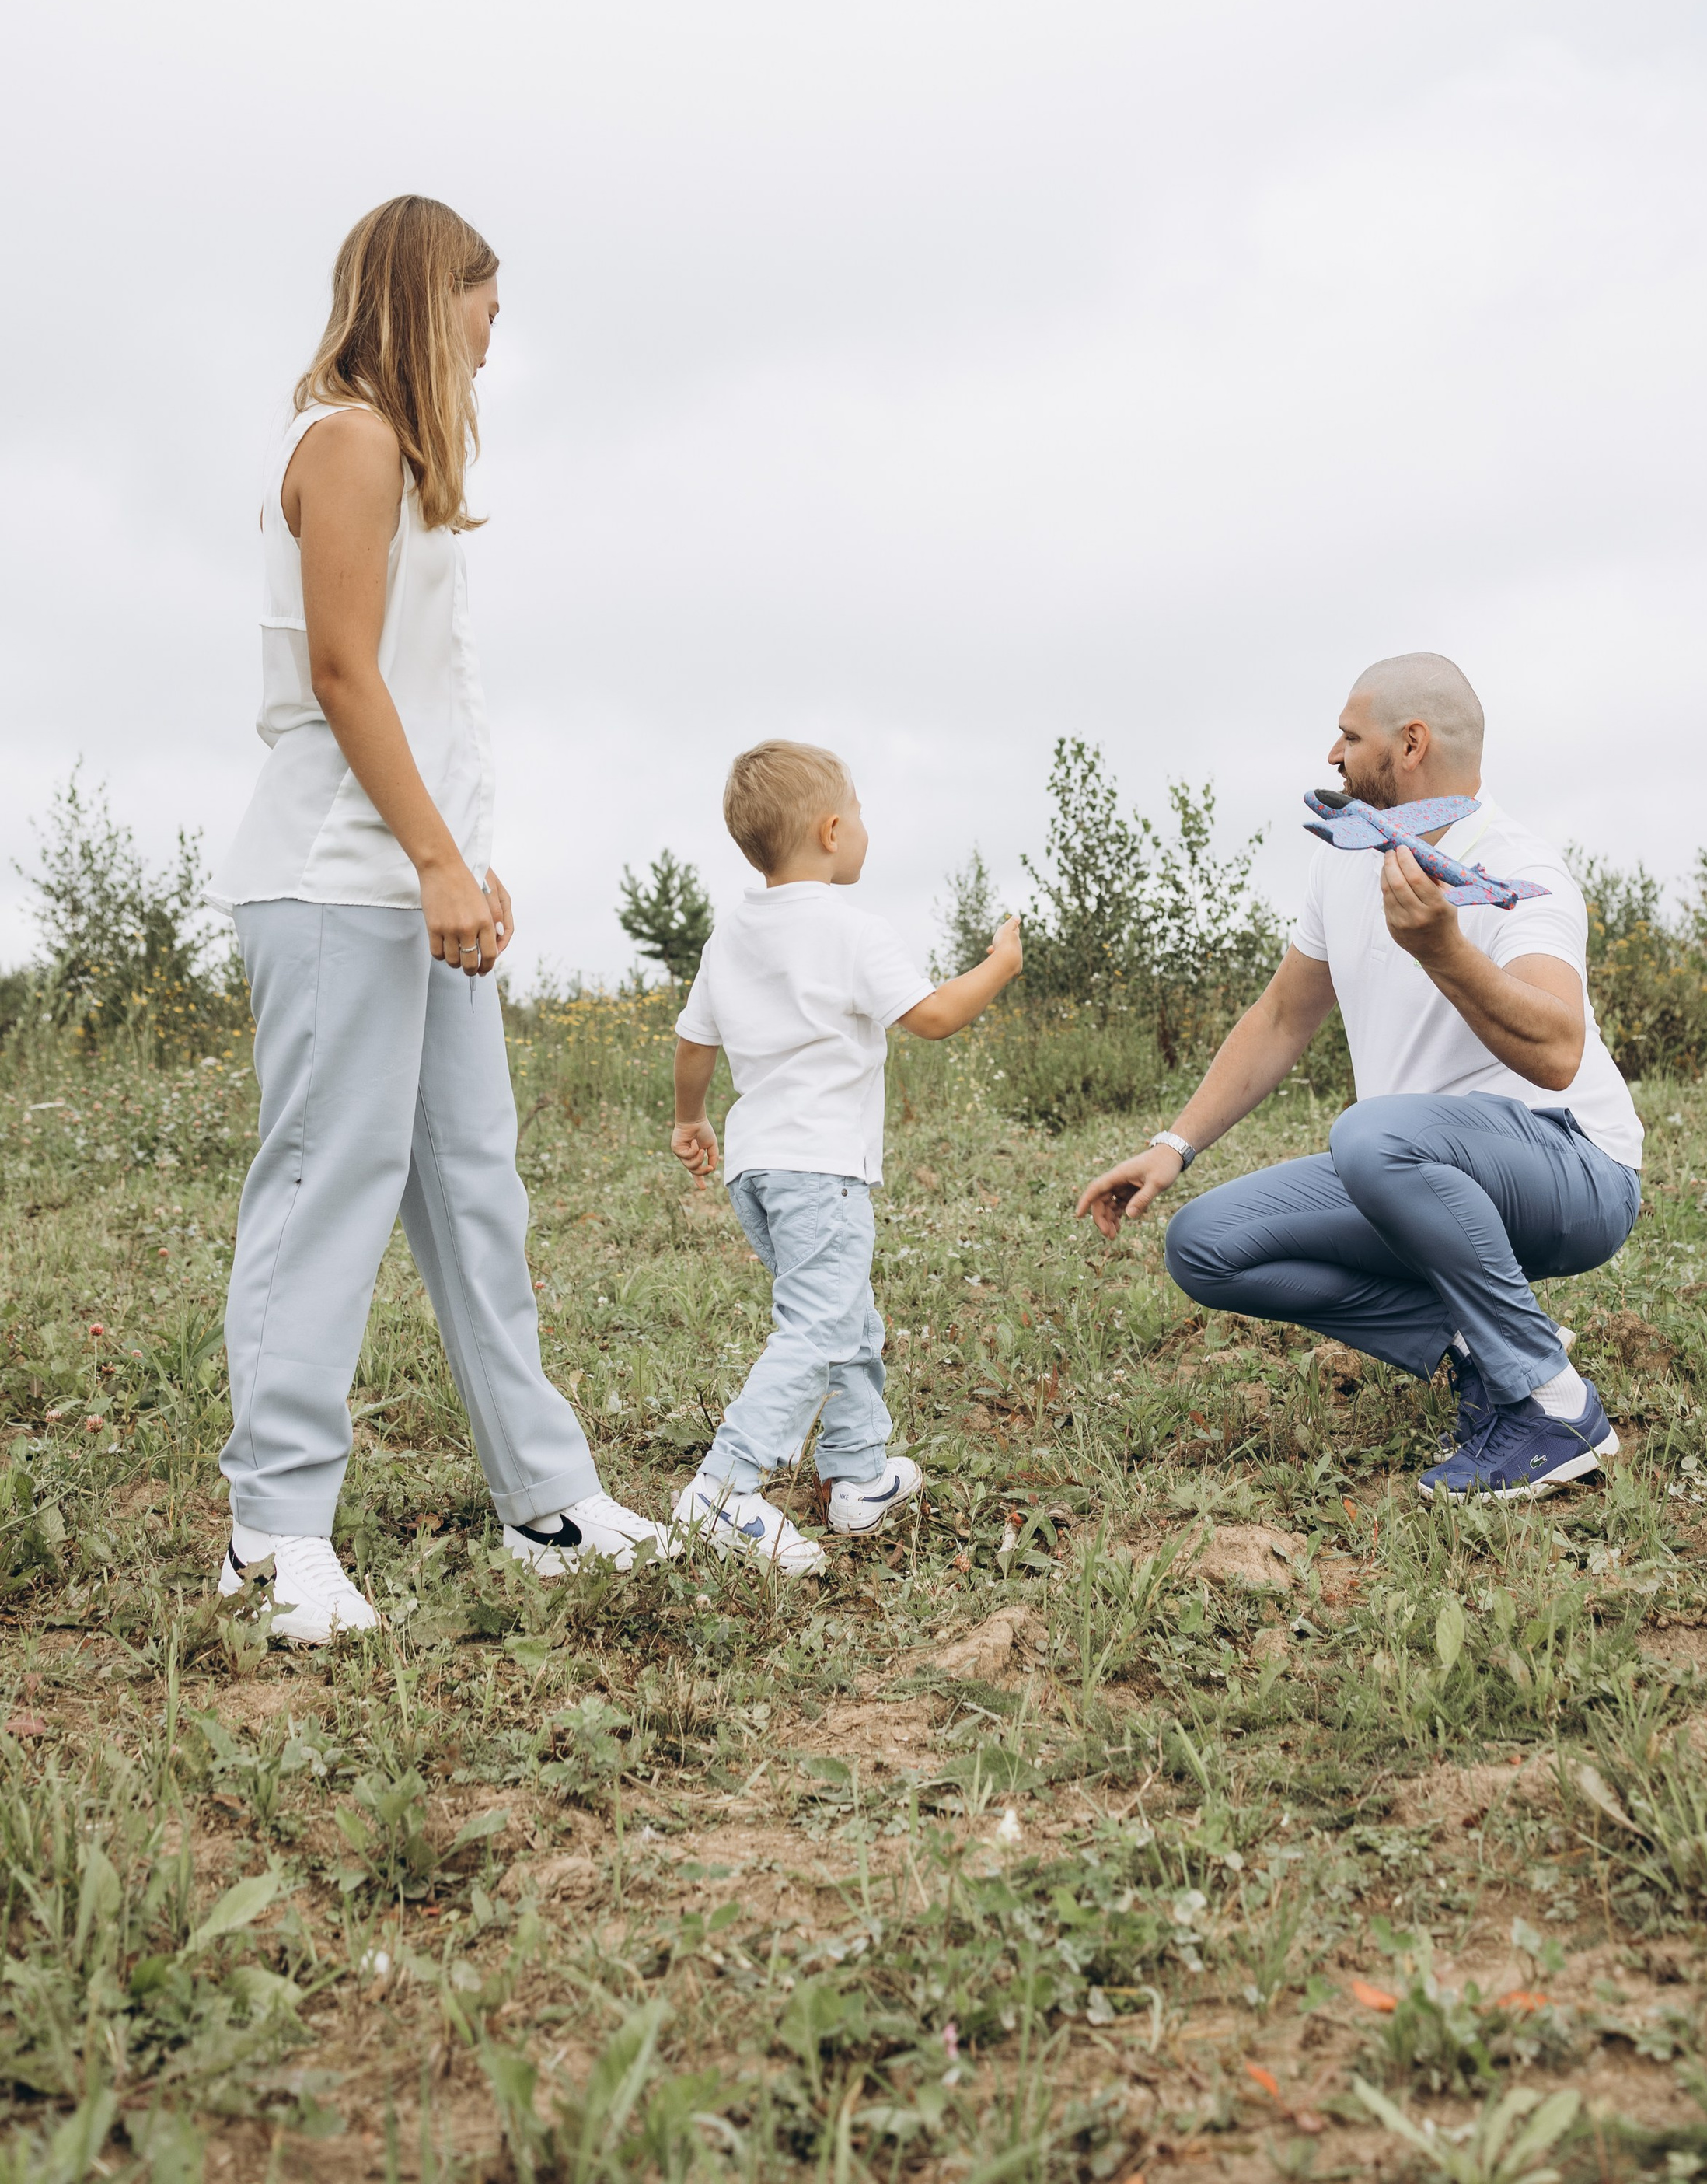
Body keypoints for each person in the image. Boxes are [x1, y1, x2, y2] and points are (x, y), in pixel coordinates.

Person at [213, 197, 668, 1644]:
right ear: (428, 293)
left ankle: (547, 1500)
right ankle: (271, 1534)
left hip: (413, 882)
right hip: (338, 880)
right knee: (325, 1184)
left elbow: (418, 685)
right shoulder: (345, 440)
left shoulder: (405, 465)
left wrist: (464, 861)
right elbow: (346, 675)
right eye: (482, 297)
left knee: (475, 1188)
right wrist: (430, 857)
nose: (493, 325)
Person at [1075, 655, 1642, 1499]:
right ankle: (1483, 1344)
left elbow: (1558, 1050)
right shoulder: (1346, 858)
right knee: (1206, 1246)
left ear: (1410, 743)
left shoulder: (1521, 869)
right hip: (1409, 1172)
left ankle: (1552, 1410)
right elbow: (1280, 1017)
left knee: (1368, 1134)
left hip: (1572, 1170)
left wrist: (1442, 948)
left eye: (1348, 735)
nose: (1332, 756)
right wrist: (1172, 1145)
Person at [669, 742, 1024, 1574]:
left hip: (757, 1169)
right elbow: (932, 1017)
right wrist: (998, 965)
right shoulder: (851, 930)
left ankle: (859, 1472)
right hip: (821, 1169)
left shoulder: (733, 935)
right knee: (821, 1324)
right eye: (859, 812)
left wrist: (690, 1118)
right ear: (832, 830)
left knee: (847, 1318)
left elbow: (694, 1041)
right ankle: (724, 1487)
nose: (865, 827)